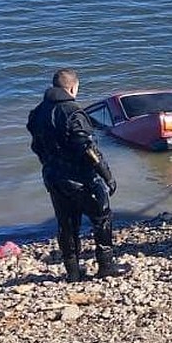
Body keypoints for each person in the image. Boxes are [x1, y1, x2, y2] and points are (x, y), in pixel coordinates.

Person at [26, 68, 120, 281]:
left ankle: (73, 272)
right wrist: (107, 175)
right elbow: (88, 148)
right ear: (72, 87)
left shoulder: (37, 112)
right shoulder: (73, 111)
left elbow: (36, 146)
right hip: (81, 178)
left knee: (67, 223)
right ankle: (106, 266)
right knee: (102, 217)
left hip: (53, 177)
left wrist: (49, 165)